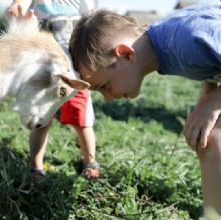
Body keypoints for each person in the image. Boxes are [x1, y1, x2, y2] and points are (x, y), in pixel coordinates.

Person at [69, 0, 221, 217]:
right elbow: (212, 59)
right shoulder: (163, 45)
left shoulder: (184, 39)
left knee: (214, 137)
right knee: (207, 133)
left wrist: (213, 103)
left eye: (104, 86)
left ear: (126, 54)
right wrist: (209, 91)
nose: (109, 98)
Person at [7, 0, 101, 179]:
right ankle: (36, 165)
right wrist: (15, 11)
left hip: (76, 72)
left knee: (82, 120)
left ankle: (90, 161)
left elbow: (95, 25)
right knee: (41, 121)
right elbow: (18, 6)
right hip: (44, 73)